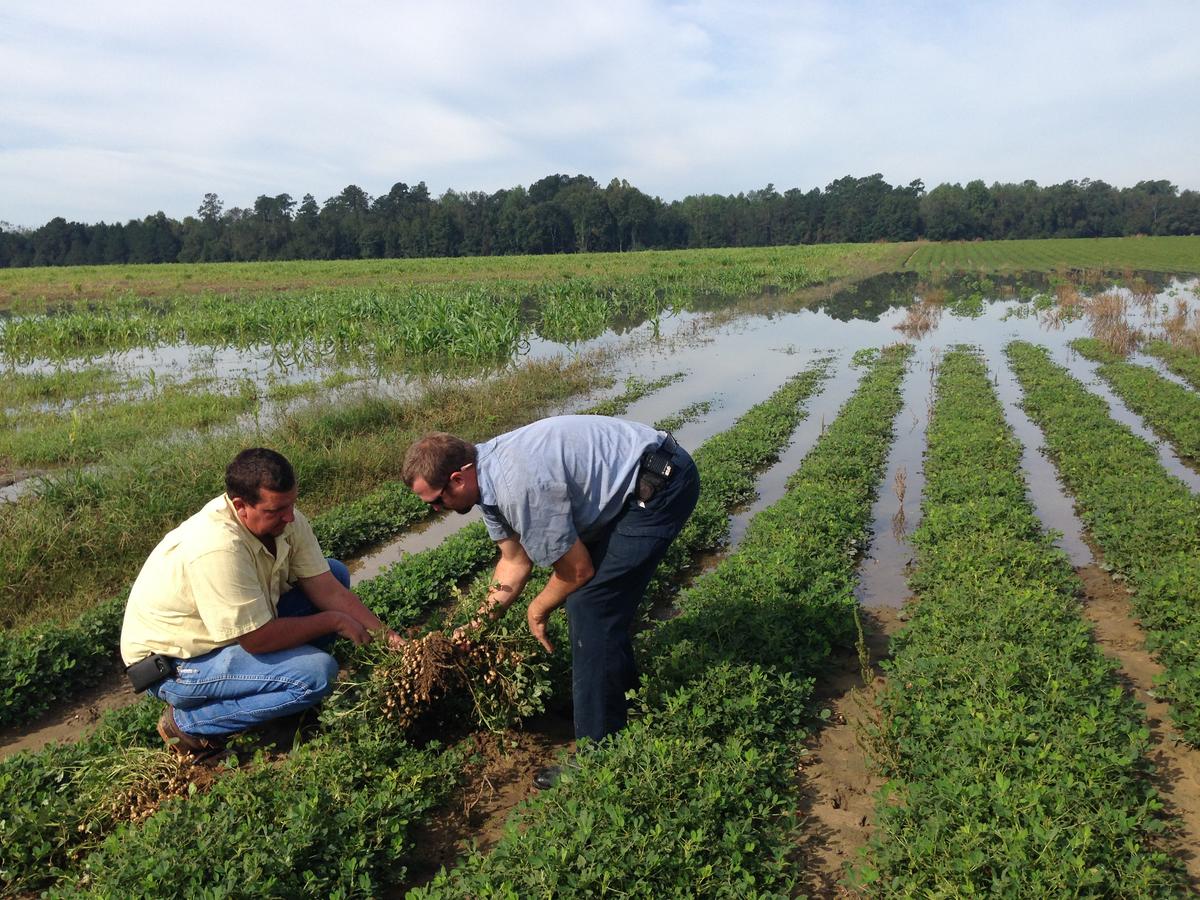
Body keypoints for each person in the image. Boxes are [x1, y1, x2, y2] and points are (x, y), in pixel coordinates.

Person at [402, 415, 700, 788]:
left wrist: (537, 608)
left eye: (436, 499)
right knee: (593, 605)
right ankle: (616, 697)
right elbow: (513, 562)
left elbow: (577, 571)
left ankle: (600, 752)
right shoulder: (489, 480)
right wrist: (475, 626)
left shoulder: (516, 486)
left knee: (589, 604)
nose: (436, 509)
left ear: (458, 478)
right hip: (635, 485)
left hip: (662, 486)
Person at [120, 447, 402, 756]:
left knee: (334, 573)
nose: (289, 516)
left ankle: (281, 696)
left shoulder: (286, 519)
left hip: (229, 634)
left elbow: (328, 590)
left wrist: (386, 636)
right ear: (241, 506)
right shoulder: (217, 547)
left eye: (292, 504)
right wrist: (334, 621)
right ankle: (188, 723)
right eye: (276, 510)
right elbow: (257, 639)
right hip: (177, 666)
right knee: (317, 674)